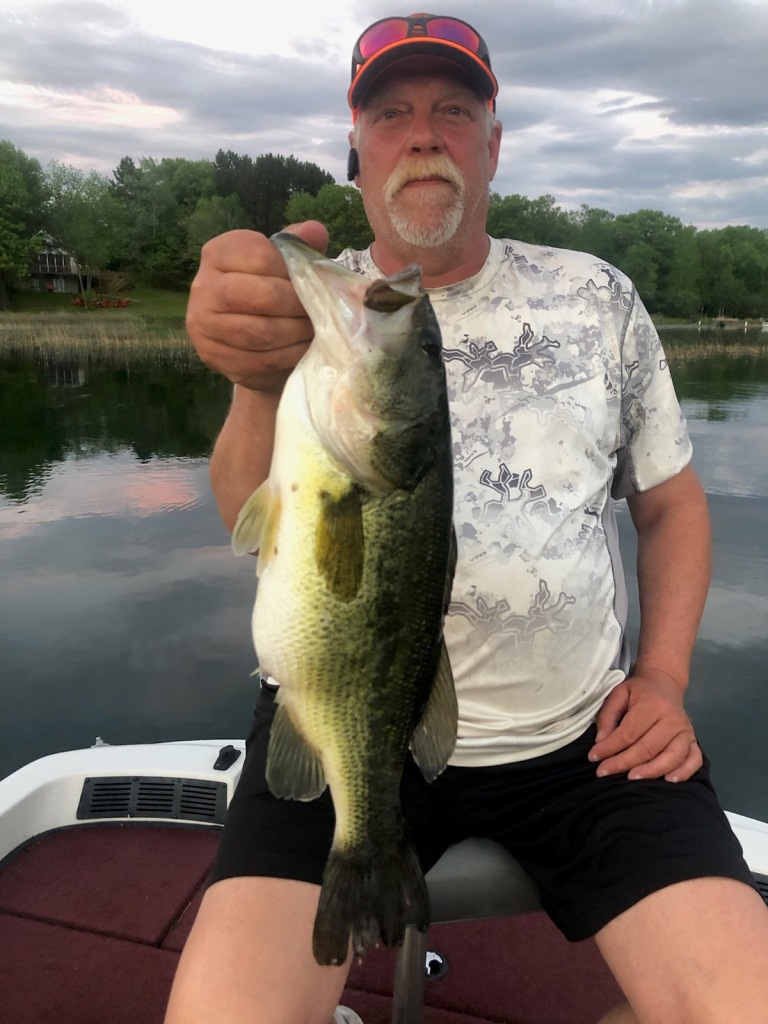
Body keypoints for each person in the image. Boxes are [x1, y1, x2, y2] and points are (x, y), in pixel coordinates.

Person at [165, 13, 768, 1024]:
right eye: (391, 113)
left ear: (495, 142)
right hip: (341, 713)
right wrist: (252, 378)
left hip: (586, 738)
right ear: (355, 150)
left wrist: (662, 678)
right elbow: (251, 517)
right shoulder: (310, 310)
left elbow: (671, 507)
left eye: (455, 109)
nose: (424, 134)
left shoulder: (598, 298)